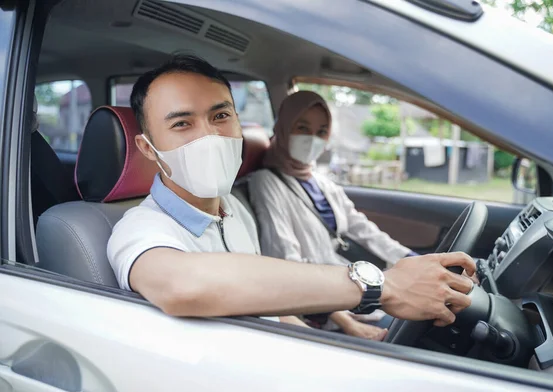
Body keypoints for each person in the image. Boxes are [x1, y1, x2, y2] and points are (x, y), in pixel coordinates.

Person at [107, 54, 477, 333]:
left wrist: (327, 344)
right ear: (147, 148)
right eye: (182, 124)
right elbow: (184, 285)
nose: (210, 137)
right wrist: (384, 285)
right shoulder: (138, 228)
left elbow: (274, 306)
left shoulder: (233, 208)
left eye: (221, 116)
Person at [248, 92, 419, 339]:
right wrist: (347, 322)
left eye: (321, 132)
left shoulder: (319, 180)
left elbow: (362, 228)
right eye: (302, 128)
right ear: (283, 128)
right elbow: (286, 264)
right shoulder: (266, 183)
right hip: (320, 309)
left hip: (351, 292)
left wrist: (409, 258)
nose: (312, 140)